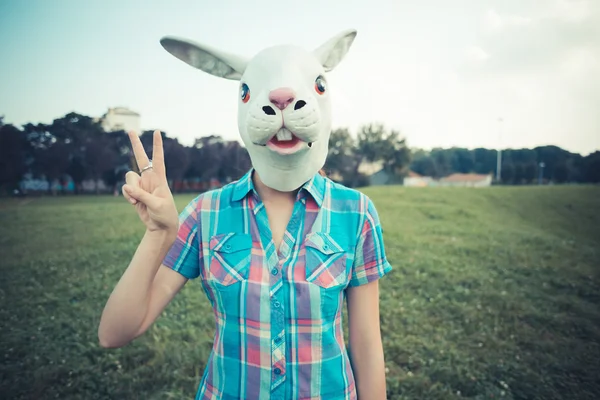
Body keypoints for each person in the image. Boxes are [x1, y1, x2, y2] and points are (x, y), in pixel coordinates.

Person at [98, 29, 392, 400]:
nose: (282, 102)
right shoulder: (207, 213)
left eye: (315, 87)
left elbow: (366, 343)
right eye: (249, 92)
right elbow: (115, 333)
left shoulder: (357, 212)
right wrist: (158, 235)